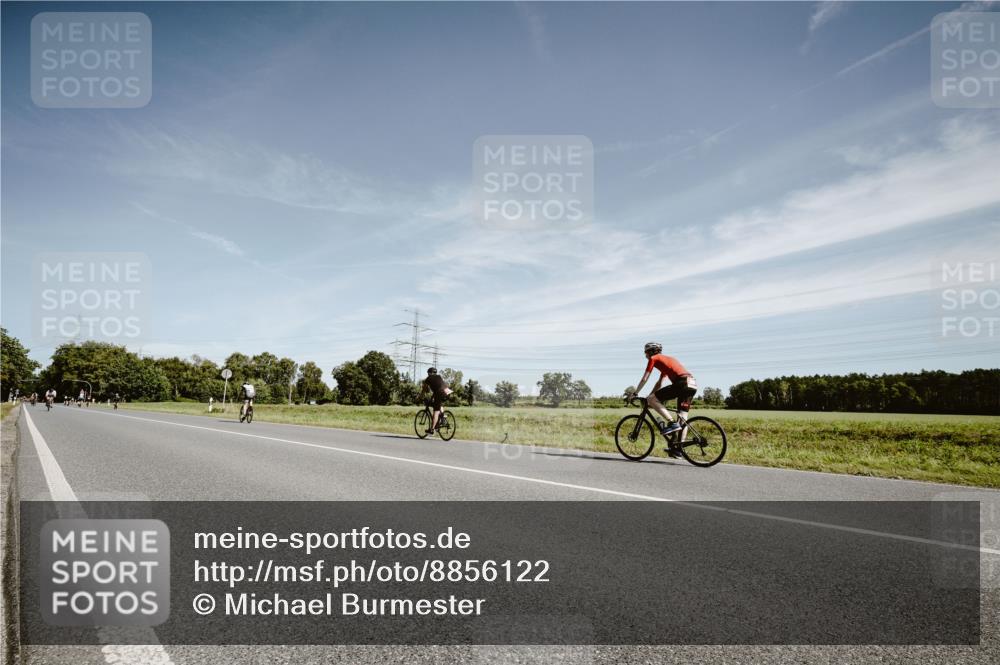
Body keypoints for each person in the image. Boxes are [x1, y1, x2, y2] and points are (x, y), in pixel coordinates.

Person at [628, 342, 698, 457]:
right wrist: (650, 397)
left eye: (645, 352)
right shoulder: (667, 360)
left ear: (651, 352)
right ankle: (679, 449)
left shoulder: (654, 358)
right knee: (683, 418)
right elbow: (659, 383)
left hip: (682, 382)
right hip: (692, 384)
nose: (645, 355)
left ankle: (671, 422)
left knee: (674, 420)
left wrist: (635, 393)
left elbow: (645, 378)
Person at [419, 367, 452, 435]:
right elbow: (438, 388)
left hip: (439, 393)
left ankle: (432, 429)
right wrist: (431, 398)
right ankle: (442, 418)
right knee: (439, 404)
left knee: (436, 411)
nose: (428, 374)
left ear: (430, 373)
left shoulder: (429, 378)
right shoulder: (439, 377)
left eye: (428, 373)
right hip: (447, 392)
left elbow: (424, 390)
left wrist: (420, 397)